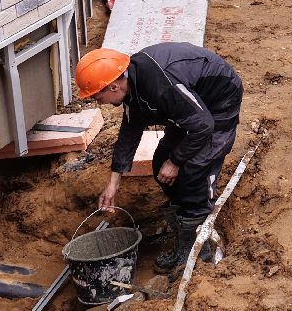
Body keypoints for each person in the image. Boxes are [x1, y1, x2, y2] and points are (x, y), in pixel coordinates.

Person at [75, 43, 244, 274]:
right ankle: (182, 230)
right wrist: (113, 183)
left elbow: (204, 125)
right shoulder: (132, 84)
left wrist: (176, 162)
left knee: (195, 169)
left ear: (113, 86)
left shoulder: (160, 86)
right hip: (189, 110)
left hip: (217, 102)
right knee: (159, 163)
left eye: (97, 96)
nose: (98, 102)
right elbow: (129, 132)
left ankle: (197, 252)